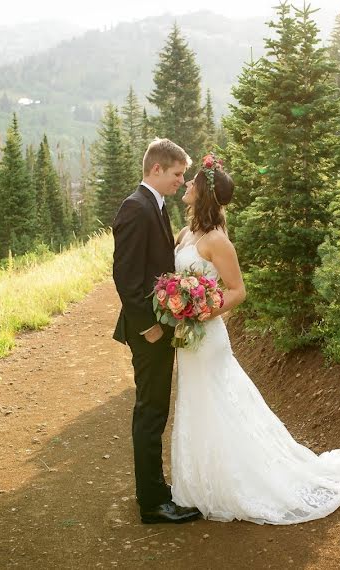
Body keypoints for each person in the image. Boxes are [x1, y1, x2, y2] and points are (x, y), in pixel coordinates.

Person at [170, 153, 340, 524]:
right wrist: (177, 305)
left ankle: (237, 481)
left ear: (203, 194)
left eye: (192, 182)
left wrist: (201, 312)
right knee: (196, 403)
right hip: (188, 340)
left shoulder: (216, 240)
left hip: (208, 337)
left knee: (219, 404)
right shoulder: (185, 234)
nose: (187, 186)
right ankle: (200, 484)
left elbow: (238, 290)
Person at [112, 138, 202, 524]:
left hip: (160, 328)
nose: (182, 182)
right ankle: (151, 503)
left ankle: (155, 487)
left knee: (156, 409)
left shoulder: (156, 205)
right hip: (148, 331)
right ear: (156, 170)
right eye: (178, 174)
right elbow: (126, 276)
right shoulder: (136, 208)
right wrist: (148, 327)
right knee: (150, 411)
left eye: (184, 175)